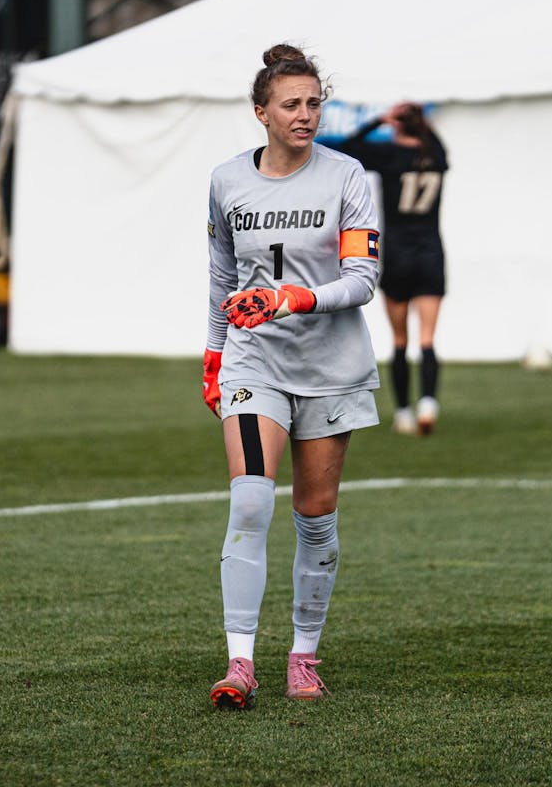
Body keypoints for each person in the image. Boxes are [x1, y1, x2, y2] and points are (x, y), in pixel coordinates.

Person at [203, 44, 381, 709]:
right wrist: (214, 354)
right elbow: (222, 276)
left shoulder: (348, 176)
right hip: (256, 364)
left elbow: (363, 280)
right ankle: (240, 663)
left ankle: (303, 653)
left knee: (315, 515)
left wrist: (296, 297)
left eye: (314, 103)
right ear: (262, 113)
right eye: (292, 105)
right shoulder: (227, 181)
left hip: (333, 372)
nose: (306, 115)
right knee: (250, 501)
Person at [326, 103, 449, 435]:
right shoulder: (435, 155)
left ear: (397, 126)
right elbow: (436, 144)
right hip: (431, 253)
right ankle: (428, 403)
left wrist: (377, 121)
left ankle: (404, 412)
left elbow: (345, 148)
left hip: (397, 254)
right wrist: (420, 123)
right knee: (427, 338)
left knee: (399, 339)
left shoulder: (390, 154)